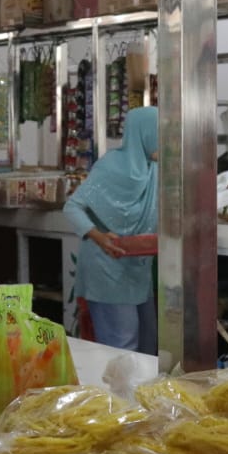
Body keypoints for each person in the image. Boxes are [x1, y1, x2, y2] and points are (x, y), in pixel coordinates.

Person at [65, 105, 159, 353]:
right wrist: (98, 236)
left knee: (149, 347)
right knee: (122, 347)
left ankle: (139, 394)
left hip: (137, 268)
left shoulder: (154, 170)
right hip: (106, 266)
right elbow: (72, 207)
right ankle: (115, 394)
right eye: (160, 134)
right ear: (144, 134)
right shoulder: (111, 166)